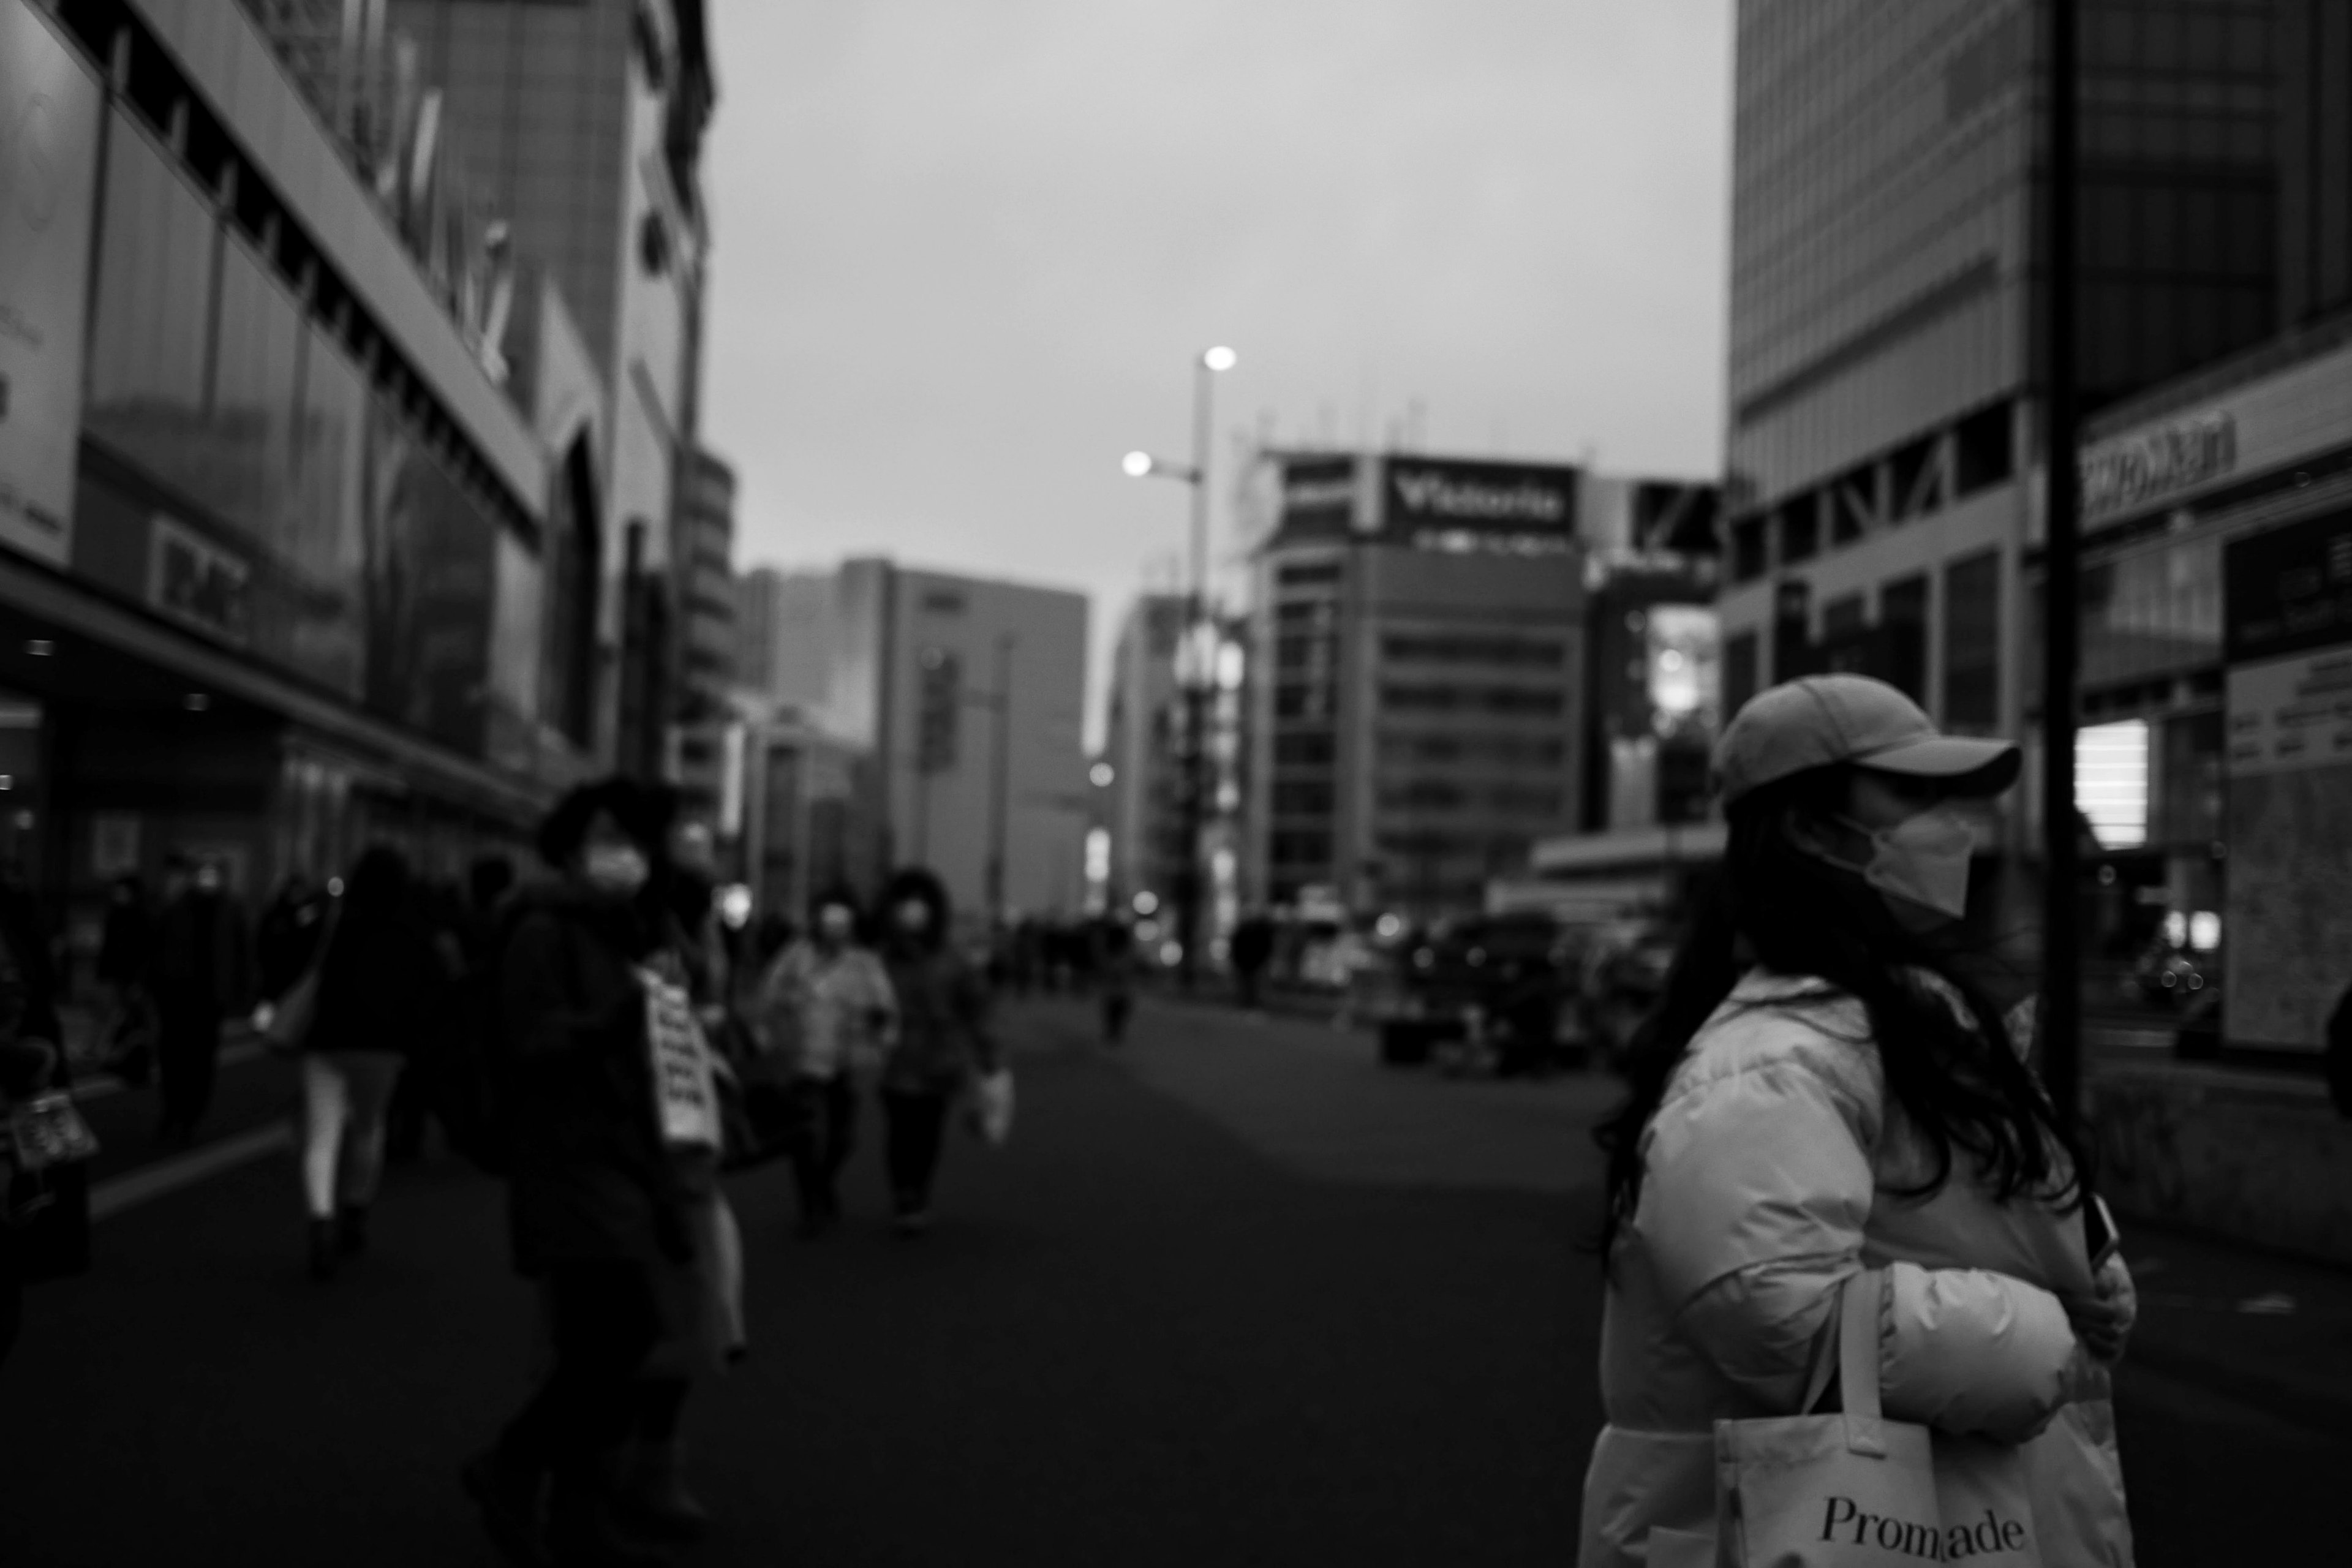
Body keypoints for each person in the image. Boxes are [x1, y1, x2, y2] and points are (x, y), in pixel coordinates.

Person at [1577, 675, 2136, 1567]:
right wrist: (2044, 1331)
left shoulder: (1891, 1019)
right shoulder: (1776, 1056)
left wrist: (2087, 1253)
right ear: (1806, 825)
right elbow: (1778, 1313)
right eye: (1911, 794)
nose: (1952, 824)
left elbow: (1942, 1209)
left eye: (1946, 796)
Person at [464, 778, 718, 1567]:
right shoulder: (540, 930)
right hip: (567, 1156)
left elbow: (677, 1035)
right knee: (617, 1333)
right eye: (603, 838)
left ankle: (577, 1514)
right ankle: (512, 1462)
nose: (620, 855)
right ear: (569, 844)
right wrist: (622, 1017)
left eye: (635, 842)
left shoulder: (633, 932)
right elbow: (532, 1044)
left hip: (628, 1156)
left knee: (604, 1340)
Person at [294, 847, 450, 1280]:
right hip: (383, 1048)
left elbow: (296, 960)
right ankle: (355, 1209)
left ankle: (319, 1221)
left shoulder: (336, 923)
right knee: (369, 1128)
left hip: (327, 1042)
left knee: (320, 1137)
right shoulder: (414, 932)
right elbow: (433, 991)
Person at [757, 887, 897, 1237]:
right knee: (808, 1136)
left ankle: (823, 1185)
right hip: (804, 1061)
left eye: (842, 923)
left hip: (848, 1062)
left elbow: (885, 1007)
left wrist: (880, 1033)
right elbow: (768, 998)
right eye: (829, 921)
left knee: (843, 1139)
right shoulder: (795, 959)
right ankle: (811, 1206)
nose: (835, 929)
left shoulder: (864, 963)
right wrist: (773, 1034)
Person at [874, 867, 998, 1235]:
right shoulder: (880, 961)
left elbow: (977, 1006)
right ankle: (904, 1194)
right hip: (894, 1057)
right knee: (900, 1129)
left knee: (927, 1129)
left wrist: (988, 1051)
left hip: (938, 1059)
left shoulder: (952, 960)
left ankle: (918, 1191)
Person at [148, 856, 254, 1148]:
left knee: (201, 1058)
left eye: (212, 875)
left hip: (210, 998)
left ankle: (190, 1114)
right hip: (176, 995)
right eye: (203, 874)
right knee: (172, 1056)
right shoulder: (176, 906)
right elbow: (155, 948)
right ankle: (173, 1108)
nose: (207, 880)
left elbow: (242, 953)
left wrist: (242, 994)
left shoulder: (230, 909)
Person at [96, 873, 156, 1082]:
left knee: (134, 1021)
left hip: (132, 978)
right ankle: (117, 1058)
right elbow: (108, 947)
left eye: (123, 892)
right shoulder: (115, 915)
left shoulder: (142, 917)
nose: (119, 896)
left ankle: (136, 1064)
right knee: (116, 1019)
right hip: (116, 975)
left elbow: (146, 951)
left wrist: (140, 980)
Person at [255, 873, 328, 1010]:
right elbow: (263, 939)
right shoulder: (276, 912)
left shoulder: (307, 912)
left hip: (298, 968)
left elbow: (314, 937)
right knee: (269, 1001)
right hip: (275, 968)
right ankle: (262, 1027)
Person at [1230, 911, 1275, 1011]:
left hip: (1253, 961)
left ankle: (1252, 1004)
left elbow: (1265, 947)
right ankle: (1247, 1003)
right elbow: (1237, 946)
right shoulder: (1245, 931)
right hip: (1246, 961)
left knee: (1254, 985)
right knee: (1247, 984)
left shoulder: (1258, 932)